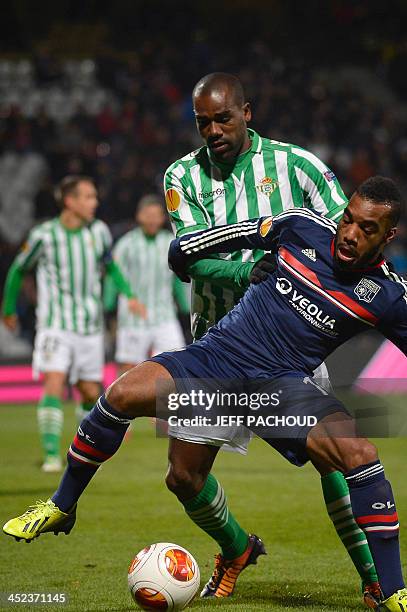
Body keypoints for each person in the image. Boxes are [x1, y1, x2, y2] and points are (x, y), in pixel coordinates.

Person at [4, 176, 407, 610]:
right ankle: (63, 504)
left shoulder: (387, 295)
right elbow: (206, 241)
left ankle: (390, 589)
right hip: (214, 362)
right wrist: (185, 255)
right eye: (348, 219)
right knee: (124, 400)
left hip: (279, 387)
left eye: (366, 229)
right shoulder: (300, 227)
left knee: (359, 455)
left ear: (389, 235)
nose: (349, 233)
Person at [163, 72, 378, 601]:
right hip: (216, 345)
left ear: (247, 112)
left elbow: (341, 241)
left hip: (290, 342)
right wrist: (246, 272)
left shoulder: (298, 167)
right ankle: (237, 546)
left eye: (222, 118)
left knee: (335, 461)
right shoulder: (181, 176)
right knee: (183, 477)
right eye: (203, 122)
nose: (212, 130)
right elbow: (192, 256)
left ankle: (376, 580)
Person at [1, 175, 144, 472]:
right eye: (89, 197)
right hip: (55, 324)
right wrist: (9, 308)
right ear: (70, 201)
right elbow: (18, 269)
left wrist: (128, 294)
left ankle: (87, 450)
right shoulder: (44, 235)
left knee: (91, 392)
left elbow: (110, 265)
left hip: (89, 327)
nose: (95, 202)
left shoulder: (99, 232)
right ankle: (52, 456)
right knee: (54, 381)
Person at [104, 193, 188, 376]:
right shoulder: (126, 244)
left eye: (156, 215)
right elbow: (113, 275)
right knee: (128, 369)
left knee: (174, 364)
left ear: (162, 218)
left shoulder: (169, 243)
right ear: (139, 216)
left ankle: (165, 404)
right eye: (147, 215)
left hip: (164, 315)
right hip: (133, 316)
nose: (151, 220)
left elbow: (177, 277)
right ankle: (124, 404)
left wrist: (185, 305)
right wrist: (108, 305)